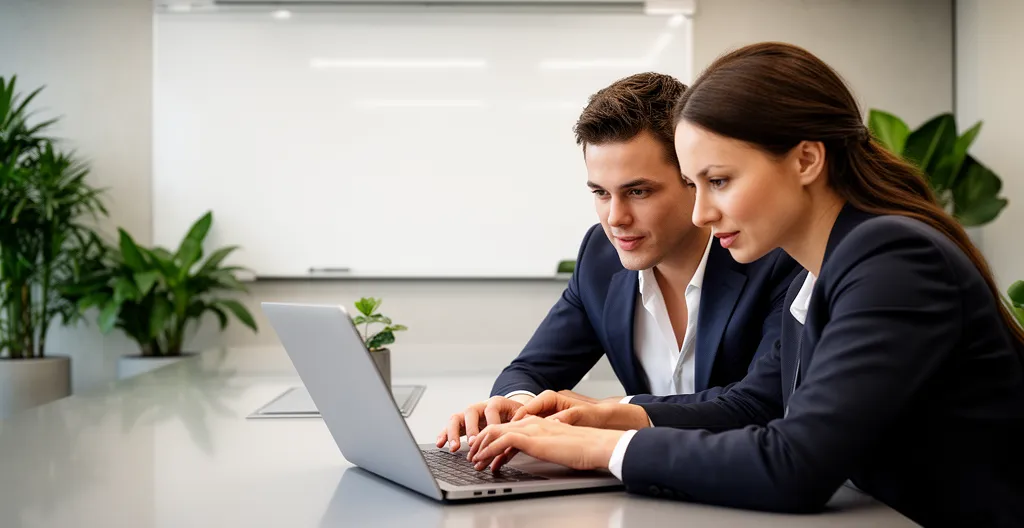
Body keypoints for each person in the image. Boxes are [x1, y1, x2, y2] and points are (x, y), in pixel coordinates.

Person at [465, 42, 1024, 527]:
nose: (703, 213)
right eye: (695, 183)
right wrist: (604, 415)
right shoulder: (827, 260)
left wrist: (602, 447)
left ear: (806, 160)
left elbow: (794, 465)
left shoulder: (891, 256)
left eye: (720, 181)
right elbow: (759, 401)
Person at [436, 73, 800, 453]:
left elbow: (764, 404)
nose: (615, 218)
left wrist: (608, 413)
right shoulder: (600, 256)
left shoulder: (773, 259)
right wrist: (518, 408)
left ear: (694, 179)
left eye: (638, 192)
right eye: (601, 193)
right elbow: (531, 370)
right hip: (640, 492)